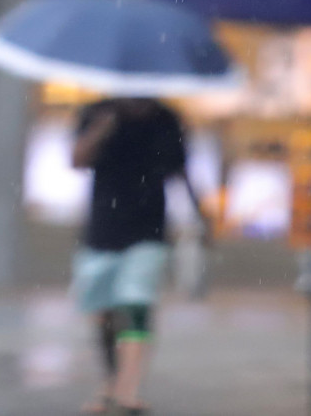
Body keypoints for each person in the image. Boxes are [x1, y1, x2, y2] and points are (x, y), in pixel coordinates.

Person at [71, 96, 199, 415]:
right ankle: (111, 381)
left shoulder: (166, 117)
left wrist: (200, 212)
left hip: (148, 228)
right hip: (101, 228)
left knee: (136, 302)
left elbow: (179, 169)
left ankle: (128, 388)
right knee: (102, 311)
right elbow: (76, 161)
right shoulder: (95, 111)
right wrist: (101, 129)